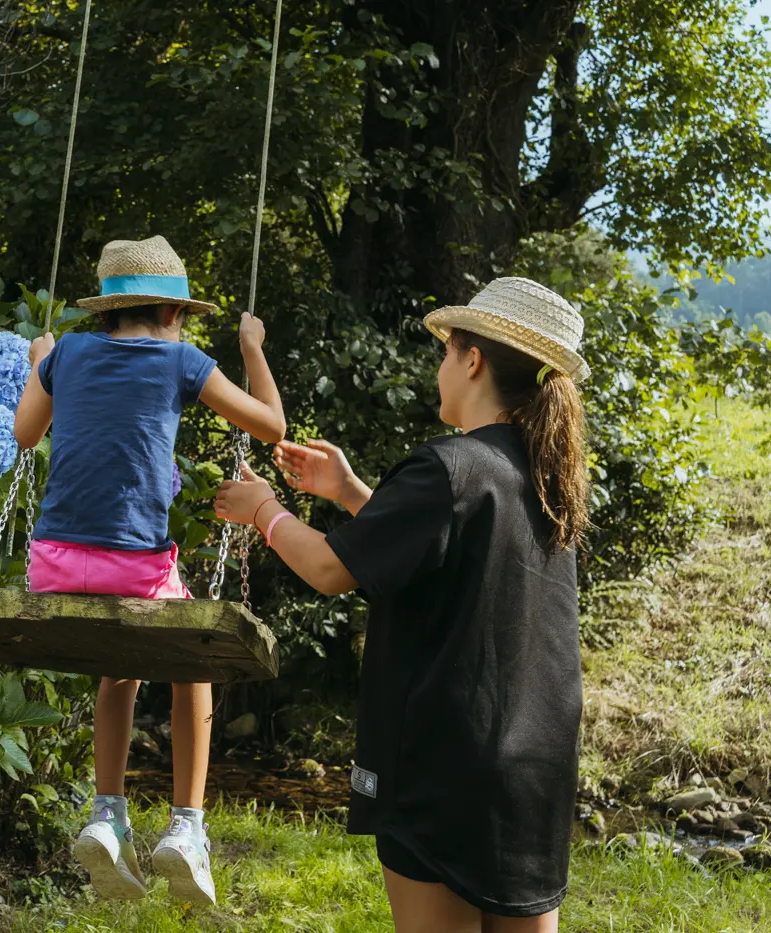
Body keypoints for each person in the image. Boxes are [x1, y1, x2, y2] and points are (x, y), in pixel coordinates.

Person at [215, 277, 589, 933]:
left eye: (447, 350)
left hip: (444, 763)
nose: (440, 365)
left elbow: (332, 568)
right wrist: (354, 492)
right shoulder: (546, 476)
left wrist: (264, 510)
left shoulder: (450, 465)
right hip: (536, 769)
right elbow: (449, 552)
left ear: (472, 359)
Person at [13, 236, 286, 906]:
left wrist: (39, 362)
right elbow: (274, 426)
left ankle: (108, 813)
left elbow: (23, 434)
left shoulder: (68, 354)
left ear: (107, 311)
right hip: (132, 569)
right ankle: (187, 827)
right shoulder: (181, 360)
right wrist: (251, 347)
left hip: (51, 566)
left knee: (122, 663)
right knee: (191, 657)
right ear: (172, 316)